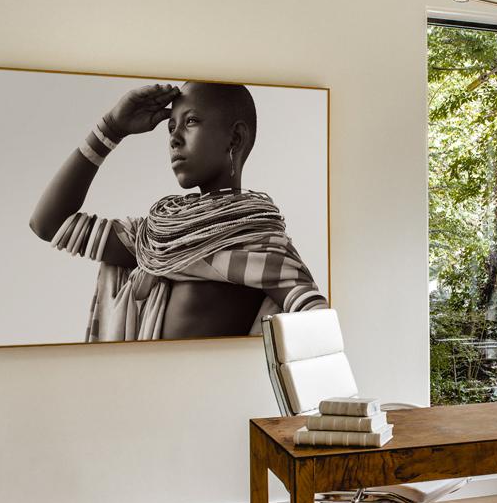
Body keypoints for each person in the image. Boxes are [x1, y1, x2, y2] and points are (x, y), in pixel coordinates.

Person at [29, 81, 326, 341]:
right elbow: (49, 223)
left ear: (235, 139)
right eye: (171, 126)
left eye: (191, 121)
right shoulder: (154, 239)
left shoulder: (262, 247)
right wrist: (111, 128)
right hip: (134, 399)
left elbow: (318, 327)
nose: (174, 138)